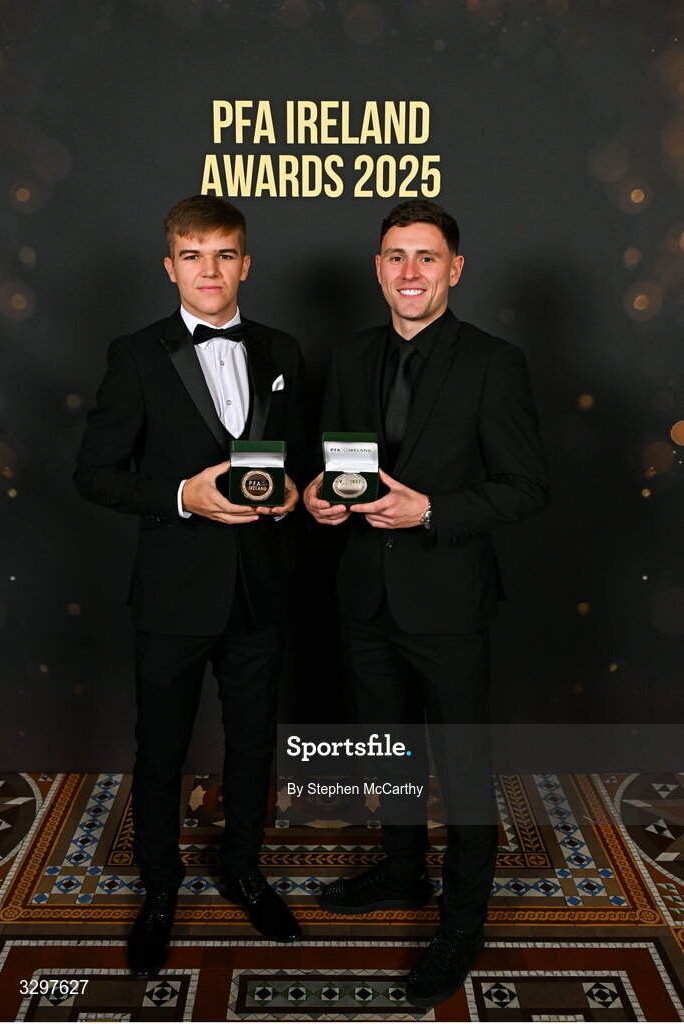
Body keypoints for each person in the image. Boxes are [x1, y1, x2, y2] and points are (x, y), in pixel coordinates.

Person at [304, 199, 548, 1008]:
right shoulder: (348, 357)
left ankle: (461, 923)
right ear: (377, 268)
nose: (409, 273)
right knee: (390, 752)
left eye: (426, 258)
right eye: (395, 257)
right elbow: (334, 464)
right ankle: (402, 873)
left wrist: (432, 511)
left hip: (447, 602)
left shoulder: (492, 363)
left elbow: (523, 488)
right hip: (363, 594)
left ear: (454, 268)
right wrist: (316, 497)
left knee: (463, 769)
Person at [75, 195, 307, 978]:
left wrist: (292, 492)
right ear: (169, 265)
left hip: (260, 589)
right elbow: (96, 475)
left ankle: (244, 868)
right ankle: (161, 890)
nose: (209, 271)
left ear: (246, 262)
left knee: (251, 744)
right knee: (162, 751)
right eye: (192, 255)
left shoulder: (282, 349)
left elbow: (295, 460)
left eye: (225, 254)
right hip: (175, 590)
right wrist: (183, 495)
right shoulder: (135, 355)